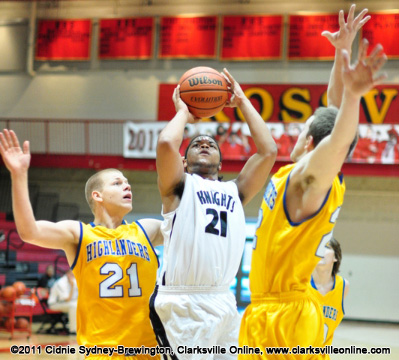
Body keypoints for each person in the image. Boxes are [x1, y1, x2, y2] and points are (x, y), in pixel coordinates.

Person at [238, 5, 387, 359]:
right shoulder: (302, 173)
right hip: (268, 309)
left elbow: (335, 140)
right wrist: (342, 52)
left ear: (309, 143)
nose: (298, 128)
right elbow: (332, 112)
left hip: (284, 317)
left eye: (302, 126)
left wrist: (354, 97)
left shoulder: (310, 179)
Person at [0, 129, 163, 359]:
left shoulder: (146, 229)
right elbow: (29, 232)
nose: (127, 186)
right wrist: (19, 175)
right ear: (97, 196)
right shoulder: (79, 234)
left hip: (148, 351)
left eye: (127, 183)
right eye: (117, 183)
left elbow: (190, 228)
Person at [150, 68, 277, 357]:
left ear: (221, 164)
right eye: (196, 144)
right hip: (181, 302)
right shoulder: (178, 187)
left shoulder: (236, 190)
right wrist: (183, 111)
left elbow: (268, 151)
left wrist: (242, 101)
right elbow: (167, 143)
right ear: (183, 162)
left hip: (223, 300)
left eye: (211, 144)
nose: (204, 143)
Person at [310, 238, 349, 357]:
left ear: (335, 257)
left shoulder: (343, 286)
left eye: (326, 247)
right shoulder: (301, 284)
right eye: (318, 247)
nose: (321, 250)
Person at [47, 269, 79, 334]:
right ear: (67, 274)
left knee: (82, 304)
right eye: (71, 274)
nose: (73, 276)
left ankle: (82, 328)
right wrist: (72, 287)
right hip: (54, 304)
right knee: (73, 306)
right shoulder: (60, 283)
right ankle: (73, 330)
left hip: (66, 303)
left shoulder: (74, 281)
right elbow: (67, 299)